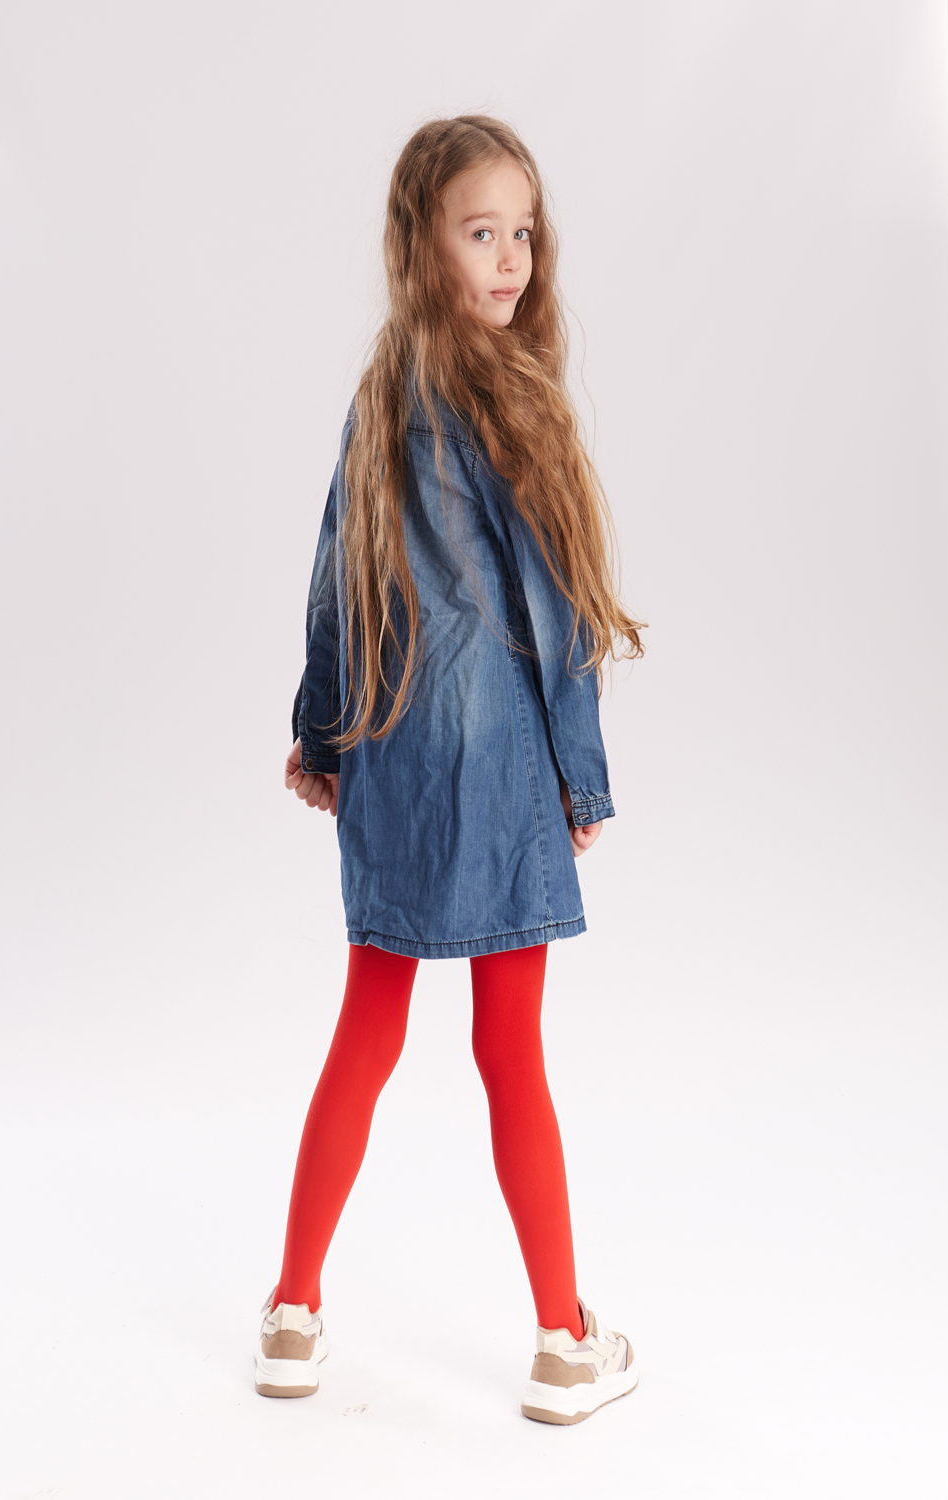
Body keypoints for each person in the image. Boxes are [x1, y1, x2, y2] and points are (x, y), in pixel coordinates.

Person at [256, 115, 645, 1426]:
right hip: (499, 774)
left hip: (394, 762)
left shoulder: (378, 399)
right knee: (510, 1051)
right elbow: (553, 614)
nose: (512, 258)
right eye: (482, 232)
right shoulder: (511, 406)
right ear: (421, 243)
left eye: (524, 232)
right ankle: (563, 1340)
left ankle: (293, 1313)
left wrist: (325, 737)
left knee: (366, 1032)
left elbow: (334, 580)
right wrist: (580, 780)